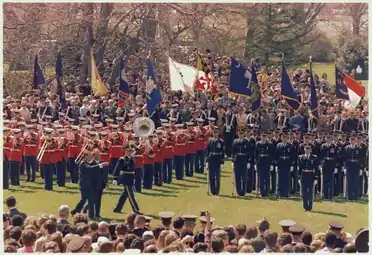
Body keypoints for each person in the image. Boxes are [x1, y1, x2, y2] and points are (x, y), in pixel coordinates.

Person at [112, 145, 141, 214]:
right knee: (131, 195)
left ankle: (117, 208)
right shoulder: (122, 159)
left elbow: (133, 169)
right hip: (125, 178)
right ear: (125, 151)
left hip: (131, 177)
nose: (130, 152)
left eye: (131, 151)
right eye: (128, 151)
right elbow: (117, 169)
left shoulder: (132, 158)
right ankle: (135, 209)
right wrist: (115, 178)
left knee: (124, 194)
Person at [298, 144, 318, 211]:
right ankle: (305, 207)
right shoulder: (301, 157)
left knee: (310, 192)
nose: (307, 150)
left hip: (310, 175)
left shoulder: (314, 157)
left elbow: (316, 168)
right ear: (304, 149)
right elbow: (299, 168)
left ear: (311, 150)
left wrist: (316, 178)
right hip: (303, 175)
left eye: (309, 148)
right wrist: (298, 177)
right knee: (304, 192)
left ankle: (310, 206)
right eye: (306, 148)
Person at [255, 132, 275, 197]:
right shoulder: (257, 144)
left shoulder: (270, 144)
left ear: (266, 136)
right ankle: (261, 191)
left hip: (267, 163)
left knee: (266, 178)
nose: (263, 137)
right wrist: (255, 163)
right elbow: (255, 154)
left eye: (264, 136)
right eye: (262, 136)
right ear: (260, 136)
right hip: (260, 162)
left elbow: (272, 154)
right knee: (260, 178)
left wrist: (272, 163)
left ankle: (266, 191)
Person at [206, 126, 225, 195]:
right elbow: (207, 151)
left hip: (217, 159)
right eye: (214, 132)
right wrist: (207, 161)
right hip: (211, 159)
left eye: (216, 132)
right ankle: (212, 190)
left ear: (218, 133)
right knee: (211, 176)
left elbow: (223, 152)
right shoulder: (210, 140)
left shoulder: (221, 141)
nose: (215, 134)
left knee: (217, 176)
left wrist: (222, 161)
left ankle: (217, 191)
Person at [232, 129, 249, 196]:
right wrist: (232, 161)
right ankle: (238, 191)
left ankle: (243, 191)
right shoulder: (235, 141)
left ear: (244, 134)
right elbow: (233, 152)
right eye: (240, 133)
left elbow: (249, 152)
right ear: (238, 134)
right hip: (237, 160)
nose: (241, 135)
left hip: (244, 160)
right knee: (237, 177)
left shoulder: (246, 142)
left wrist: (248, 161)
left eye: (242, 134)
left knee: (244, 177)